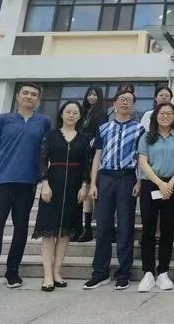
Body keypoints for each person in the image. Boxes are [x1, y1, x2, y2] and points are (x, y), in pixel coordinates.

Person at [0, 83, 51, 295]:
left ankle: (12, 271)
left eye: (34, 94)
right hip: (1, 181)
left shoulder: (43, 122)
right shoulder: (3, 119)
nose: (29, 97)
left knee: (21, 228)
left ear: (38, 99)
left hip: (27, 182)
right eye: (25, 93)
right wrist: (4, 162)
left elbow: (45, 150)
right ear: (17, 96)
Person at [83, 89, 145, 291]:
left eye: (129, 100)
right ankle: (99, 273)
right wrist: (93, 183)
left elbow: (140, 158)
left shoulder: (139, 129)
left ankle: (123, 273)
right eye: (122, 99)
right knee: (103, 227)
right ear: (114, 103)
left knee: (125, 227)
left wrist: (139, 182)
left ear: (133, 105)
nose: (125, 103)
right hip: (106, 178)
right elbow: (97, 156)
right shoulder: (103, 128)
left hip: (127, 178)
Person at [32, 100, 91, 292]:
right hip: (53, 183)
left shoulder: (84, 139)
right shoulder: (51, 135)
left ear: (80, 116)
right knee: (49, 231)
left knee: (65, 232)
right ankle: (47, 275)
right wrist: (44, 183)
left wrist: (84, 185)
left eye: (75, 112)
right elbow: (42, 160)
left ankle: (57, 272)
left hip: (75, 186)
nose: (71, 115)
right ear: (62, 114)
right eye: (68, 111)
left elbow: (87, 165)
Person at [137, 103, 174, 292]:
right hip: (150, 184)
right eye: (162, 113)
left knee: (167, 228)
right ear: (155, 116)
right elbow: (143, 162)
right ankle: (148, 272)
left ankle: (163, 271)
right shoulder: (146, 137)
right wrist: (160, 184)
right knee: (148, 228)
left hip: (172, 186)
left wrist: (170, 183)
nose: (165, 116)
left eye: (169, 113)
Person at [77, 86, 108, 243]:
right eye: (89, 94)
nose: (91, 97)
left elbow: (101, 134)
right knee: (81, 192)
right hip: (79, 153)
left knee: (90, 190)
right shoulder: (83, 112)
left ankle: (90, 228)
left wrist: (90, 145)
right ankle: (82, 227)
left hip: (92, 154)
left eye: (95, 95)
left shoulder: (101, 113)